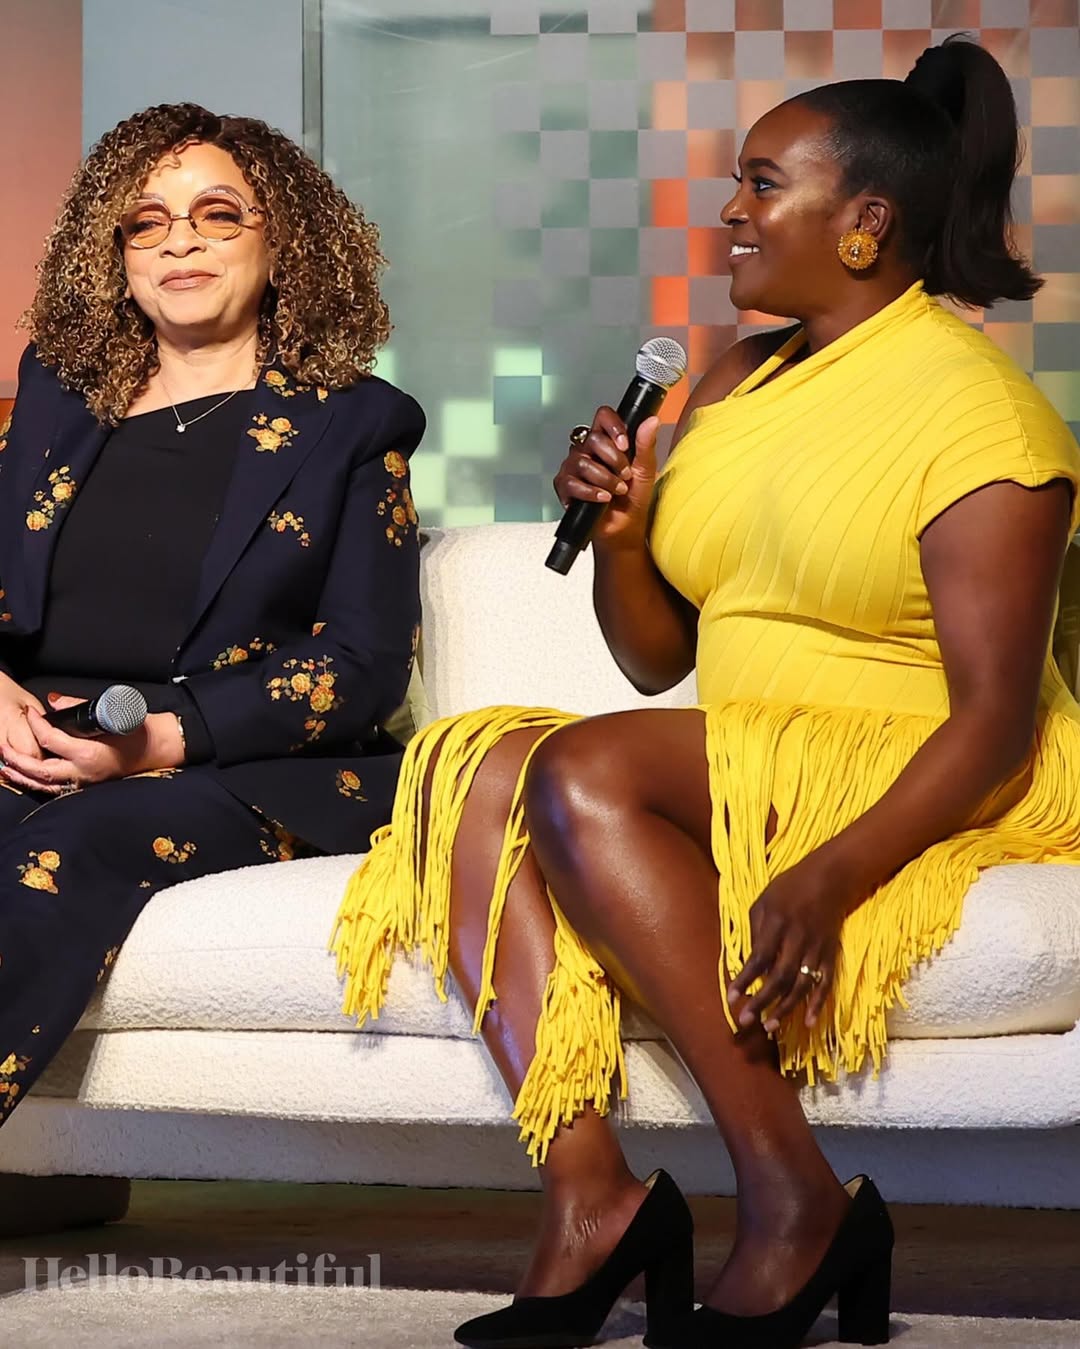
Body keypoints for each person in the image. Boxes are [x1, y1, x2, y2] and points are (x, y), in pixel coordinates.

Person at [331, 34, 1080, 1349]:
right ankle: (591, 1198)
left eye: (760, 183)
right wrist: (625, 537)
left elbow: (997, 724)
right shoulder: (732, 378)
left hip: (921, 755)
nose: (728, 213)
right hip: (751, 744)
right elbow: (658, 657)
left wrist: (836, 873)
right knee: (468, 760)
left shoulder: (987, 421)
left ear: (863, 227)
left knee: (579, 770)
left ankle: (793, 1196)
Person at [0, 104, 423, 1132]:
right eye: (145, 221)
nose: (178, 239)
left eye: (216, 213)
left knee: (70, 843)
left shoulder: (354, 422)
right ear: (115, 254)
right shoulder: (54, 400)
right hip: (34, 732)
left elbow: (363, 664)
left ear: (283, 241)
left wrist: (155, 739)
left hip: (225, 760)